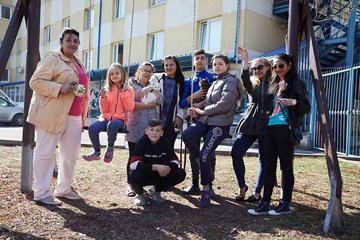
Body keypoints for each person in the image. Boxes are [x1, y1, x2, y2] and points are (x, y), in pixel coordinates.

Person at [27, 28, 90, 205]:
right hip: (52, 114)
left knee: (69, 155)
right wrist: (59, 88)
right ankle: (41, 192)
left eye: (75, 40)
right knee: (45, 153)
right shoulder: (52, 58)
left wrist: (85, 113)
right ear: (61, 41)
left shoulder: (77, 61)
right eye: (68, 39)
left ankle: (63, 189)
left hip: (75, 115)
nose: (72, 43)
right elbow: (35, 82)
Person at [248, 53, 310, 216]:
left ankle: (284, 204)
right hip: (268, 128)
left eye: (280, 66)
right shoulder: (273, 82)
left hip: (284, 127)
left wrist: (293, 102)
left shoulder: (296, 83)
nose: (277, 69)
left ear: (289, 65)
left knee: (286, 167)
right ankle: (265, 203)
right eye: (274, 66)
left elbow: (306, 106)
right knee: (268, 166)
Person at [182, 54, 244, 208]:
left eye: (220, 64)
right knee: (187, 134)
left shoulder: (230, 81)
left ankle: (205, 189)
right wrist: (196, 108)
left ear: (227, 66)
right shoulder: (216, 81)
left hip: (219, 124)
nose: (216, 66)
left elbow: (225, 104)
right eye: (215, 64)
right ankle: (205, 168)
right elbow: (209, 101)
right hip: (206, 121)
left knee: (205, 154)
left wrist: (204, 111)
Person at [231, 47, 273, 202]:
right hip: (250, 123)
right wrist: (246, 61)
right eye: (254, 68)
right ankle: (242, 187)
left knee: (265, 160)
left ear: (268, 67)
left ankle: (257, 192)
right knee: (236, 153)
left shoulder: (275, 83)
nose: (256, 70)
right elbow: (245, 79)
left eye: (259, 67)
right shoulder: (252, 84)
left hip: (267, 125)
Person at [179, 49, 217, 196]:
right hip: (194, 119)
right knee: (192, 153)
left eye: (202, 58)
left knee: (210, 152)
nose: (200, 60)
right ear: (193, 62)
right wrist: (193, 97)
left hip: (210, 120)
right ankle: (195, 184)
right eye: (197, 58)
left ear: (206, 62)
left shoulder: (213, 77)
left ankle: (210, 185)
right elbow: (182, 103)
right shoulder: (189, 81)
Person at [82, 63, 135, 163]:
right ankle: (96, 152)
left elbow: (130, 108)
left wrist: (124, 93)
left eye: (116, 73)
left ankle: (110, 147)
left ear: (122, 74)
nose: (114, 75)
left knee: (112, 124)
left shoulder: (129, 90)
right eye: (111, 74)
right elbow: (104, 110)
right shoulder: (107, 89)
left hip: (120, 119)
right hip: (106, 117)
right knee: (93, 128)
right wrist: (103, 97)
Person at [128, 119, 186, 206]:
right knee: (133, 175)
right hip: (145, 174)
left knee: (180, 173)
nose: (154, 133)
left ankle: (155, 191)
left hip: (161, 174)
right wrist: (156, 167)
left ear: (162, 133)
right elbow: (133, 164)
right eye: (151, 130)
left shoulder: (165, 142)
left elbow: (175, 161)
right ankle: (139, 195)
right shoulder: (142, 142)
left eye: (158, 130)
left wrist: (167, 169)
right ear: (146, 131)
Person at [125, 62, 158, 197]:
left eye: (150, 71)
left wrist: (151, 88)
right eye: (144, 70)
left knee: (145, 157)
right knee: (133, 156)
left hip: (150, 128)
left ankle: (140, 184)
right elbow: (129, 104)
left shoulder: (153, 85)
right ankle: (130, 184)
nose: (147, 73)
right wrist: (146, 105)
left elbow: (159, 100)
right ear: (138, 71)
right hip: (135, 126)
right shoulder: (131, 85)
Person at [147, 55, 186, 147]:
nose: (168, 67)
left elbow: (183, 103)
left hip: (171, 122)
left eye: (171, 65)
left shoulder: (181, 82)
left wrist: (180, 116)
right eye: (166, 65)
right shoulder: (156, 78)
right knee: (153, 148)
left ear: (176, 66)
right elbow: (148, 98)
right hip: (155, 120)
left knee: (168, 149)